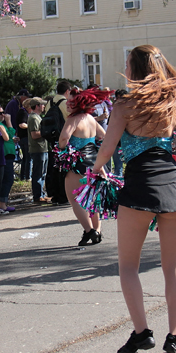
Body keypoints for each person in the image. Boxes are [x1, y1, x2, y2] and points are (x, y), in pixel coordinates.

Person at [91, 45, 176, 353]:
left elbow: (108, 149)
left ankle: (141, 333)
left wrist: (95, 173)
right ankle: (175, 336)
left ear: (133, 69)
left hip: (138, 190)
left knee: (127, 268)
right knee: (173, 267)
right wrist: (174, 172)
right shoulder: (171, 104)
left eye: (127, 64)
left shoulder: (124, 105)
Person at [57, 89, 106, 245]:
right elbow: (103, 135)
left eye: (70, 103)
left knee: (75, 200)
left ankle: (89, 231)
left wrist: (62, 148)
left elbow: (64, 137)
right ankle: (96, 231)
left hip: (77, 164)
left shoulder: (74, 119)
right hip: (94, 163)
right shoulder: (91, 118)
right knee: (92, 199)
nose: (68, 106)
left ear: (78, 104)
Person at [27, 98, 51, 203]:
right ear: (37, 106)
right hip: (38, 149)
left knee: (43, 173)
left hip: (43, 148)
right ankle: (37, 196)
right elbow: (34, 134)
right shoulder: (33, 118)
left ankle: (41, 194)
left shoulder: (38, 117)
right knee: (38, 173)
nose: (44, 107)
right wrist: (47, 132)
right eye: (42, 105)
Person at [0, 107, 17, 212]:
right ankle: (1, 204)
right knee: (7, 179)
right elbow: (10, 134)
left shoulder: (2, 124)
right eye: (0, 113)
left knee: (7, 179)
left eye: (4, 113)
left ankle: (2, 203)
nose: (3, 115)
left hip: (9, 154)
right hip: (3, 155)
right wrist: (9, 121)